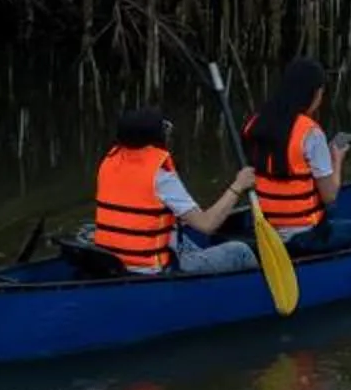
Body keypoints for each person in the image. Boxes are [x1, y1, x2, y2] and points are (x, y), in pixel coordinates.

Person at [243, 56, 351, 254]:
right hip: (303, 237)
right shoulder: (310, 133)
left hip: (264, 229)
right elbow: (329, 196)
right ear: (314, 93)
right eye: (321, 93)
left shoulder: (254, 124)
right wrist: (336, 159)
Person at [89, 107, 258, 275]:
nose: (168, 134)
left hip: (113, 262)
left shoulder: (108, 164)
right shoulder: (160, 177)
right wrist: (239, 185)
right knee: (240, 251)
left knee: (184, 234)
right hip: (150, 269)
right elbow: (207, 225)